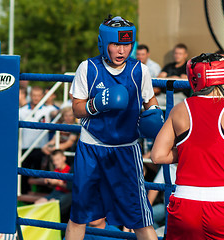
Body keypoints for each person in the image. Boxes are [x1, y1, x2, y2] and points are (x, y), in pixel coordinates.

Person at [65, 16, 159, 240]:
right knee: (79, 215)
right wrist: (96, 103)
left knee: (141, 218)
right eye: (116, 44)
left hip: (126, 150)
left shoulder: (140, 71)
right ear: (103, 43)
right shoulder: (88, 68)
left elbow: (151, 101)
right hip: (92, 149)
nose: (121, 50)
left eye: (126, 44)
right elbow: (77, 109)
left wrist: (155, 118)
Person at [151, 53, 224, 239]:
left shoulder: (180, 109)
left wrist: (190, 152)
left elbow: (158, 156)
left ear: (195, 78)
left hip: (184, 204)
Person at [19, 85, 58, 194]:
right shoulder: (22, 110)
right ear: (30, 96)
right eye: (34, 95)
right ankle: (23, 195)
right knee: (24, 173)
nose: (36, 98)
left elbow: (58, 113)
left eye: (38, 96)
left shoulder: (48, 109)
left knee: (40, 173)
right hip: (25, 147)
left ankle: (41, 195)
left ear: (42, 96)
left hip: (41, 147)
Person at [35, 150, 72, 217]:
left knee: (51, 204)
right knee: (38, 203)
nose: (55, 162)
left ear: (64, 158)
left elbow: (70, 187)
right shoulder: (56, 170)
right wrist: (49, 182)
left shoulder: (69, 170)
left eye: (57, 160)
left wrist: (57, 183)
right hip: (55, 193)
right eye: (54, 160)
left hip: (65, 194)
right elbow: (52, 186)